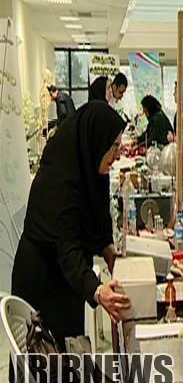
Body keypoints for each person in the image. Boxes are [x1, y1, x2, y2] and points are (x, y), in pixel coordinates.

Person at [12, 101, 131, 348]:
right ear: (96, 141)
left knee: (71, 353)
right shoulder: (60, 181)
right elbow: (66, 248)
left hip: (66, 279)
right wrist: (97, 291)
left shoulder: (89, 166)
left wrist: (110, 253)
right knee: (48, 360)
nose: (118, 155)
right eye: (114, 146)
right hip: (43, 282)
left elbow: (99, 216)